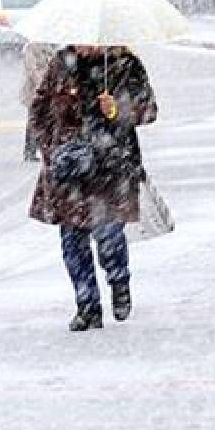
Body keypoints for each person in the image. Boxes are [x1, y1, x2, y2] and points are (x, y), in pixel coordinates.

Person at [28, 45, 158, 331]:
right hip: (70, 172)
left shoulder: (124, 63)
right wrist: (53, 150)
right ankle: (87, 305)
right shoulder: (62, 63)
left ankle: (119, 281)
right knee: (72, 241)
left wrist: (119, 110)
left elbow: (149, 110)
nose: (88, 44)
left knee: (109, 235)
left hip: (111, 168)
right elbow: (39, 111)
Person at [20, 41, 56, 162]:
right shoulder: (30, 48)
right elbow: (31, 69)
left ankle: (45, 148)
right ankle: (29, 150)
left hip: (48, 89)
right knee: (33, 120)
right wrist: (44, 81)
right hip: (34, 90)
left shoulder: (53, 47)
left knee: (47, 119)